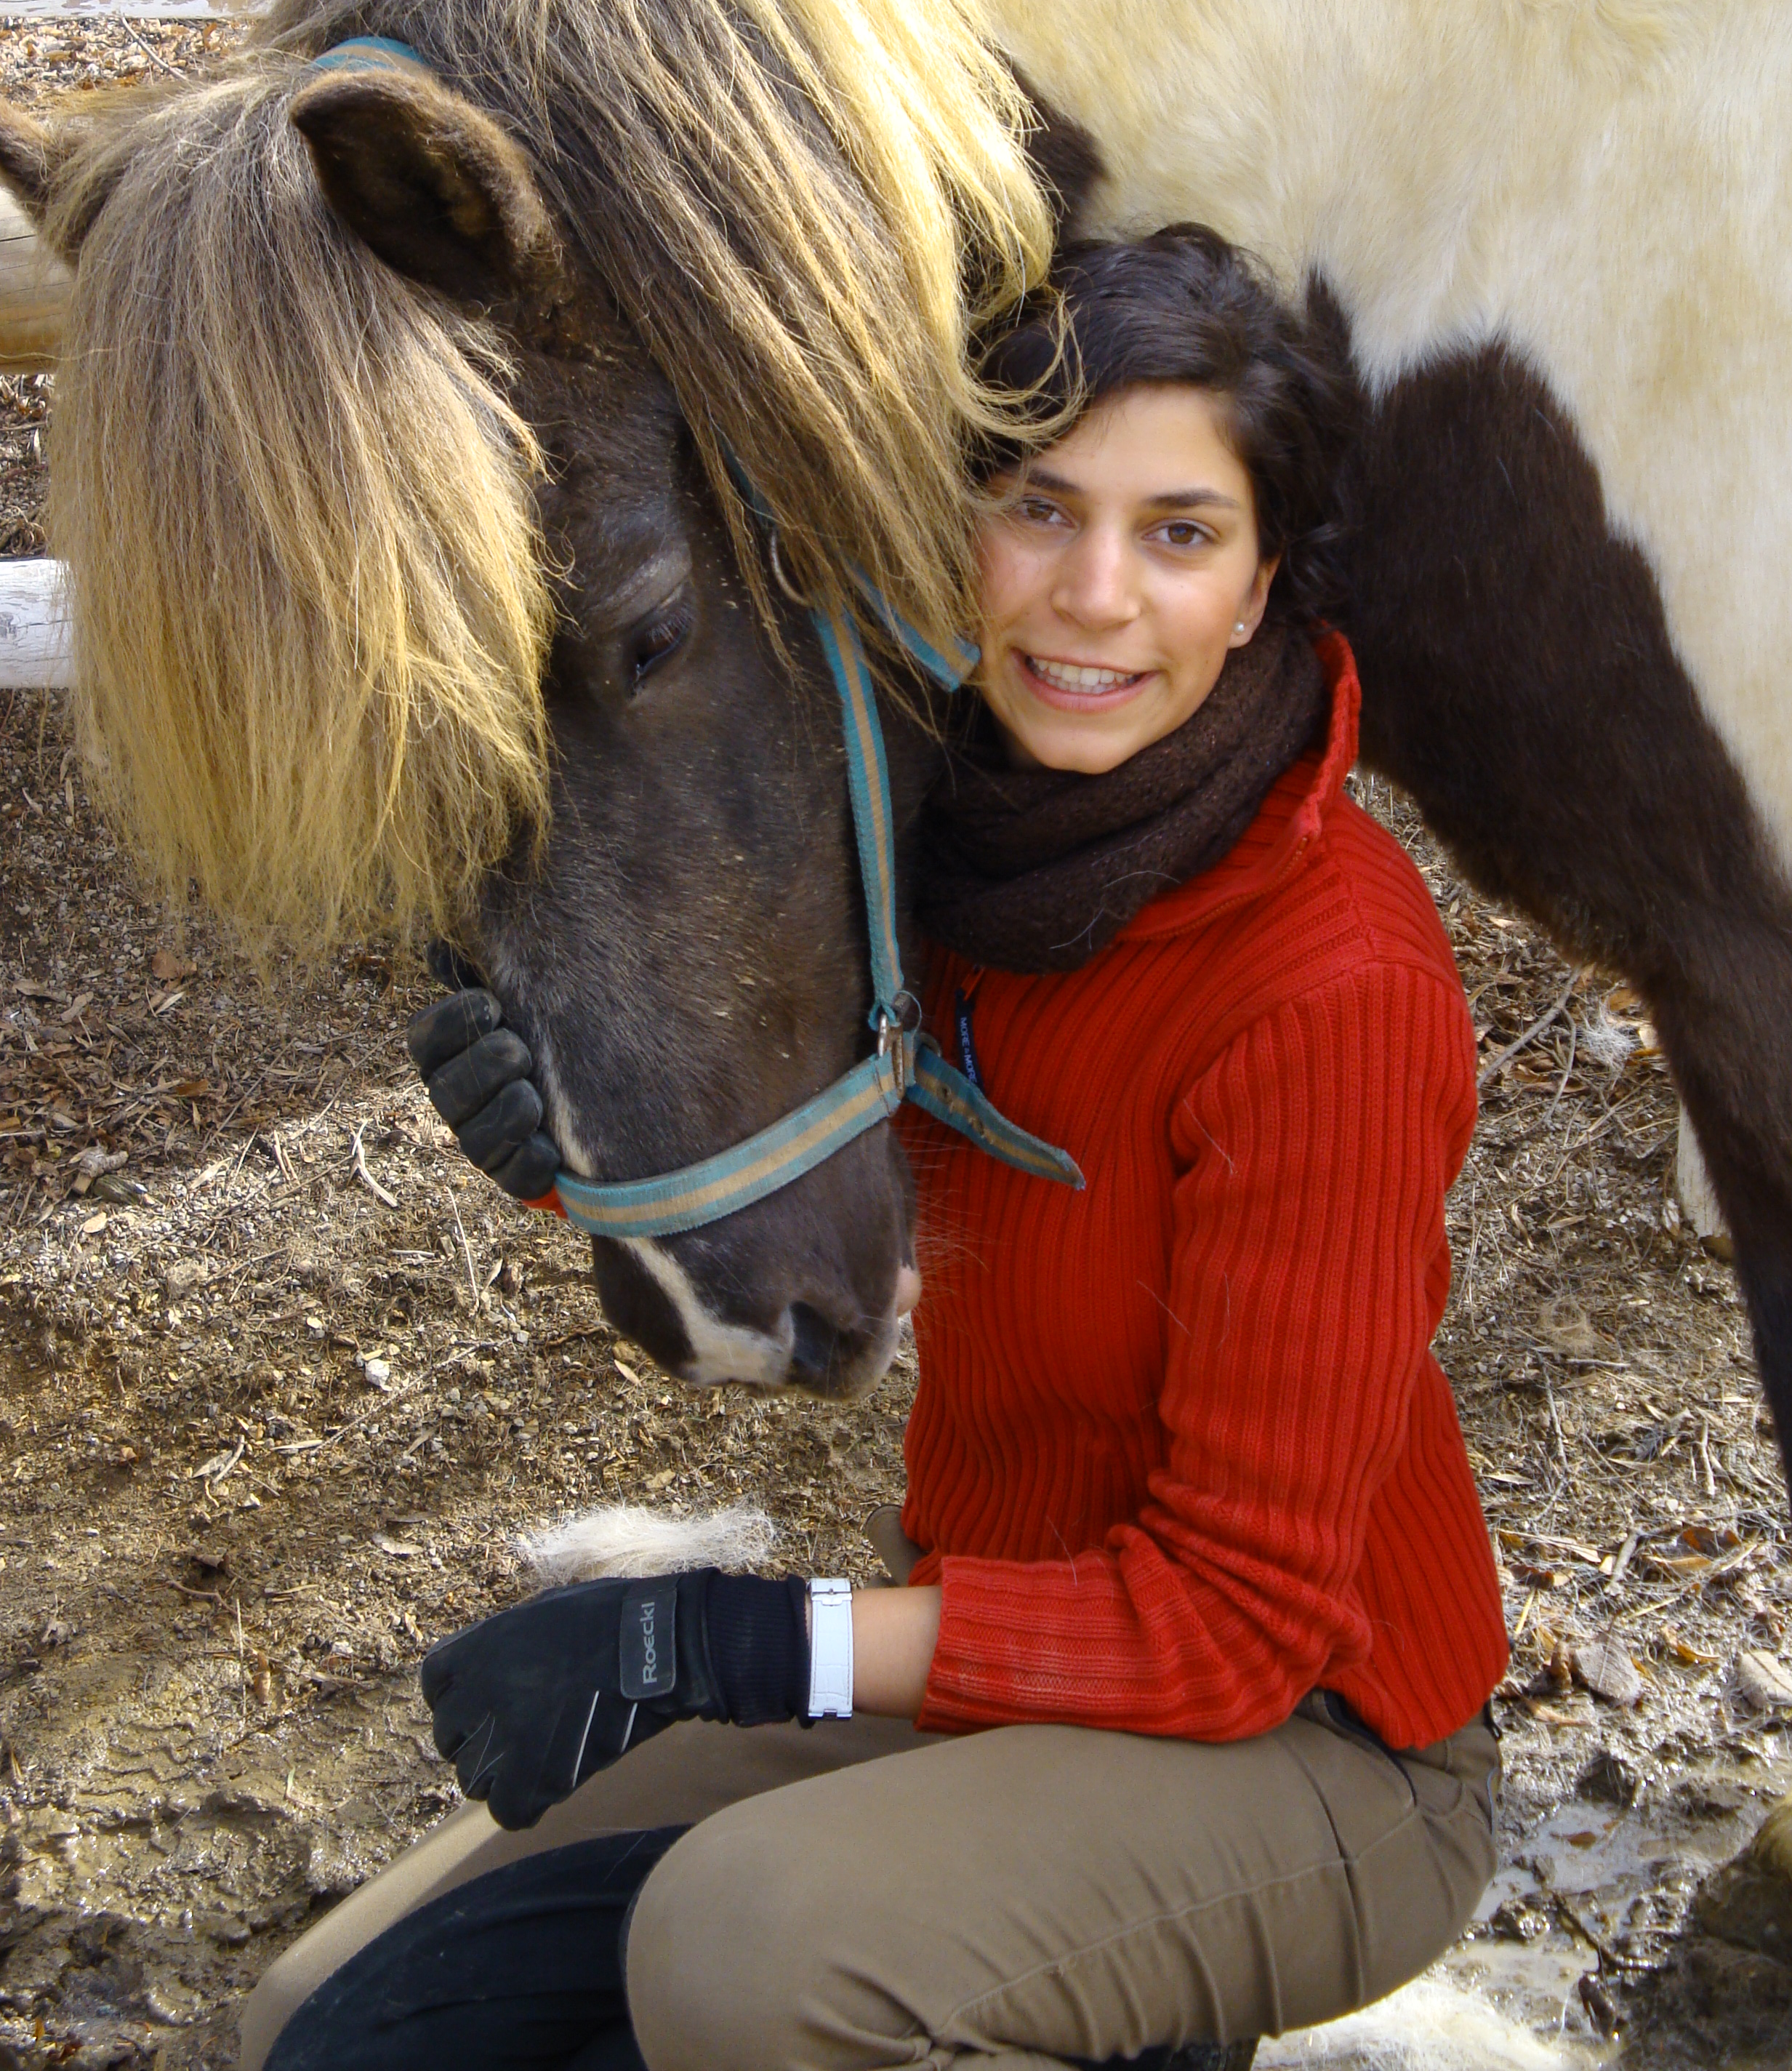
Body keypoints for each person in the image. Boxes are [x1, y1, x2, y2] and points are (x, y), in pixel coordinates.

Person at [238, 228, 1508, 2071]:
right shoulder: (948, 837)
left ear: (1257, 593)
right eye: (1038, 509)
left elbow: (1231, 1628)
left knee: (746, 1962)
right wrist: (569, 1159)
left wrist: (733, 1648)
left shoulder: (1331, 977)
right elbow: (836, 1165)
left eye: (1177, 533)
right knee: (329, 2028)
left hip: (1312, 1740)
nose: (1088, 595)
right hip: (1001, 1660)